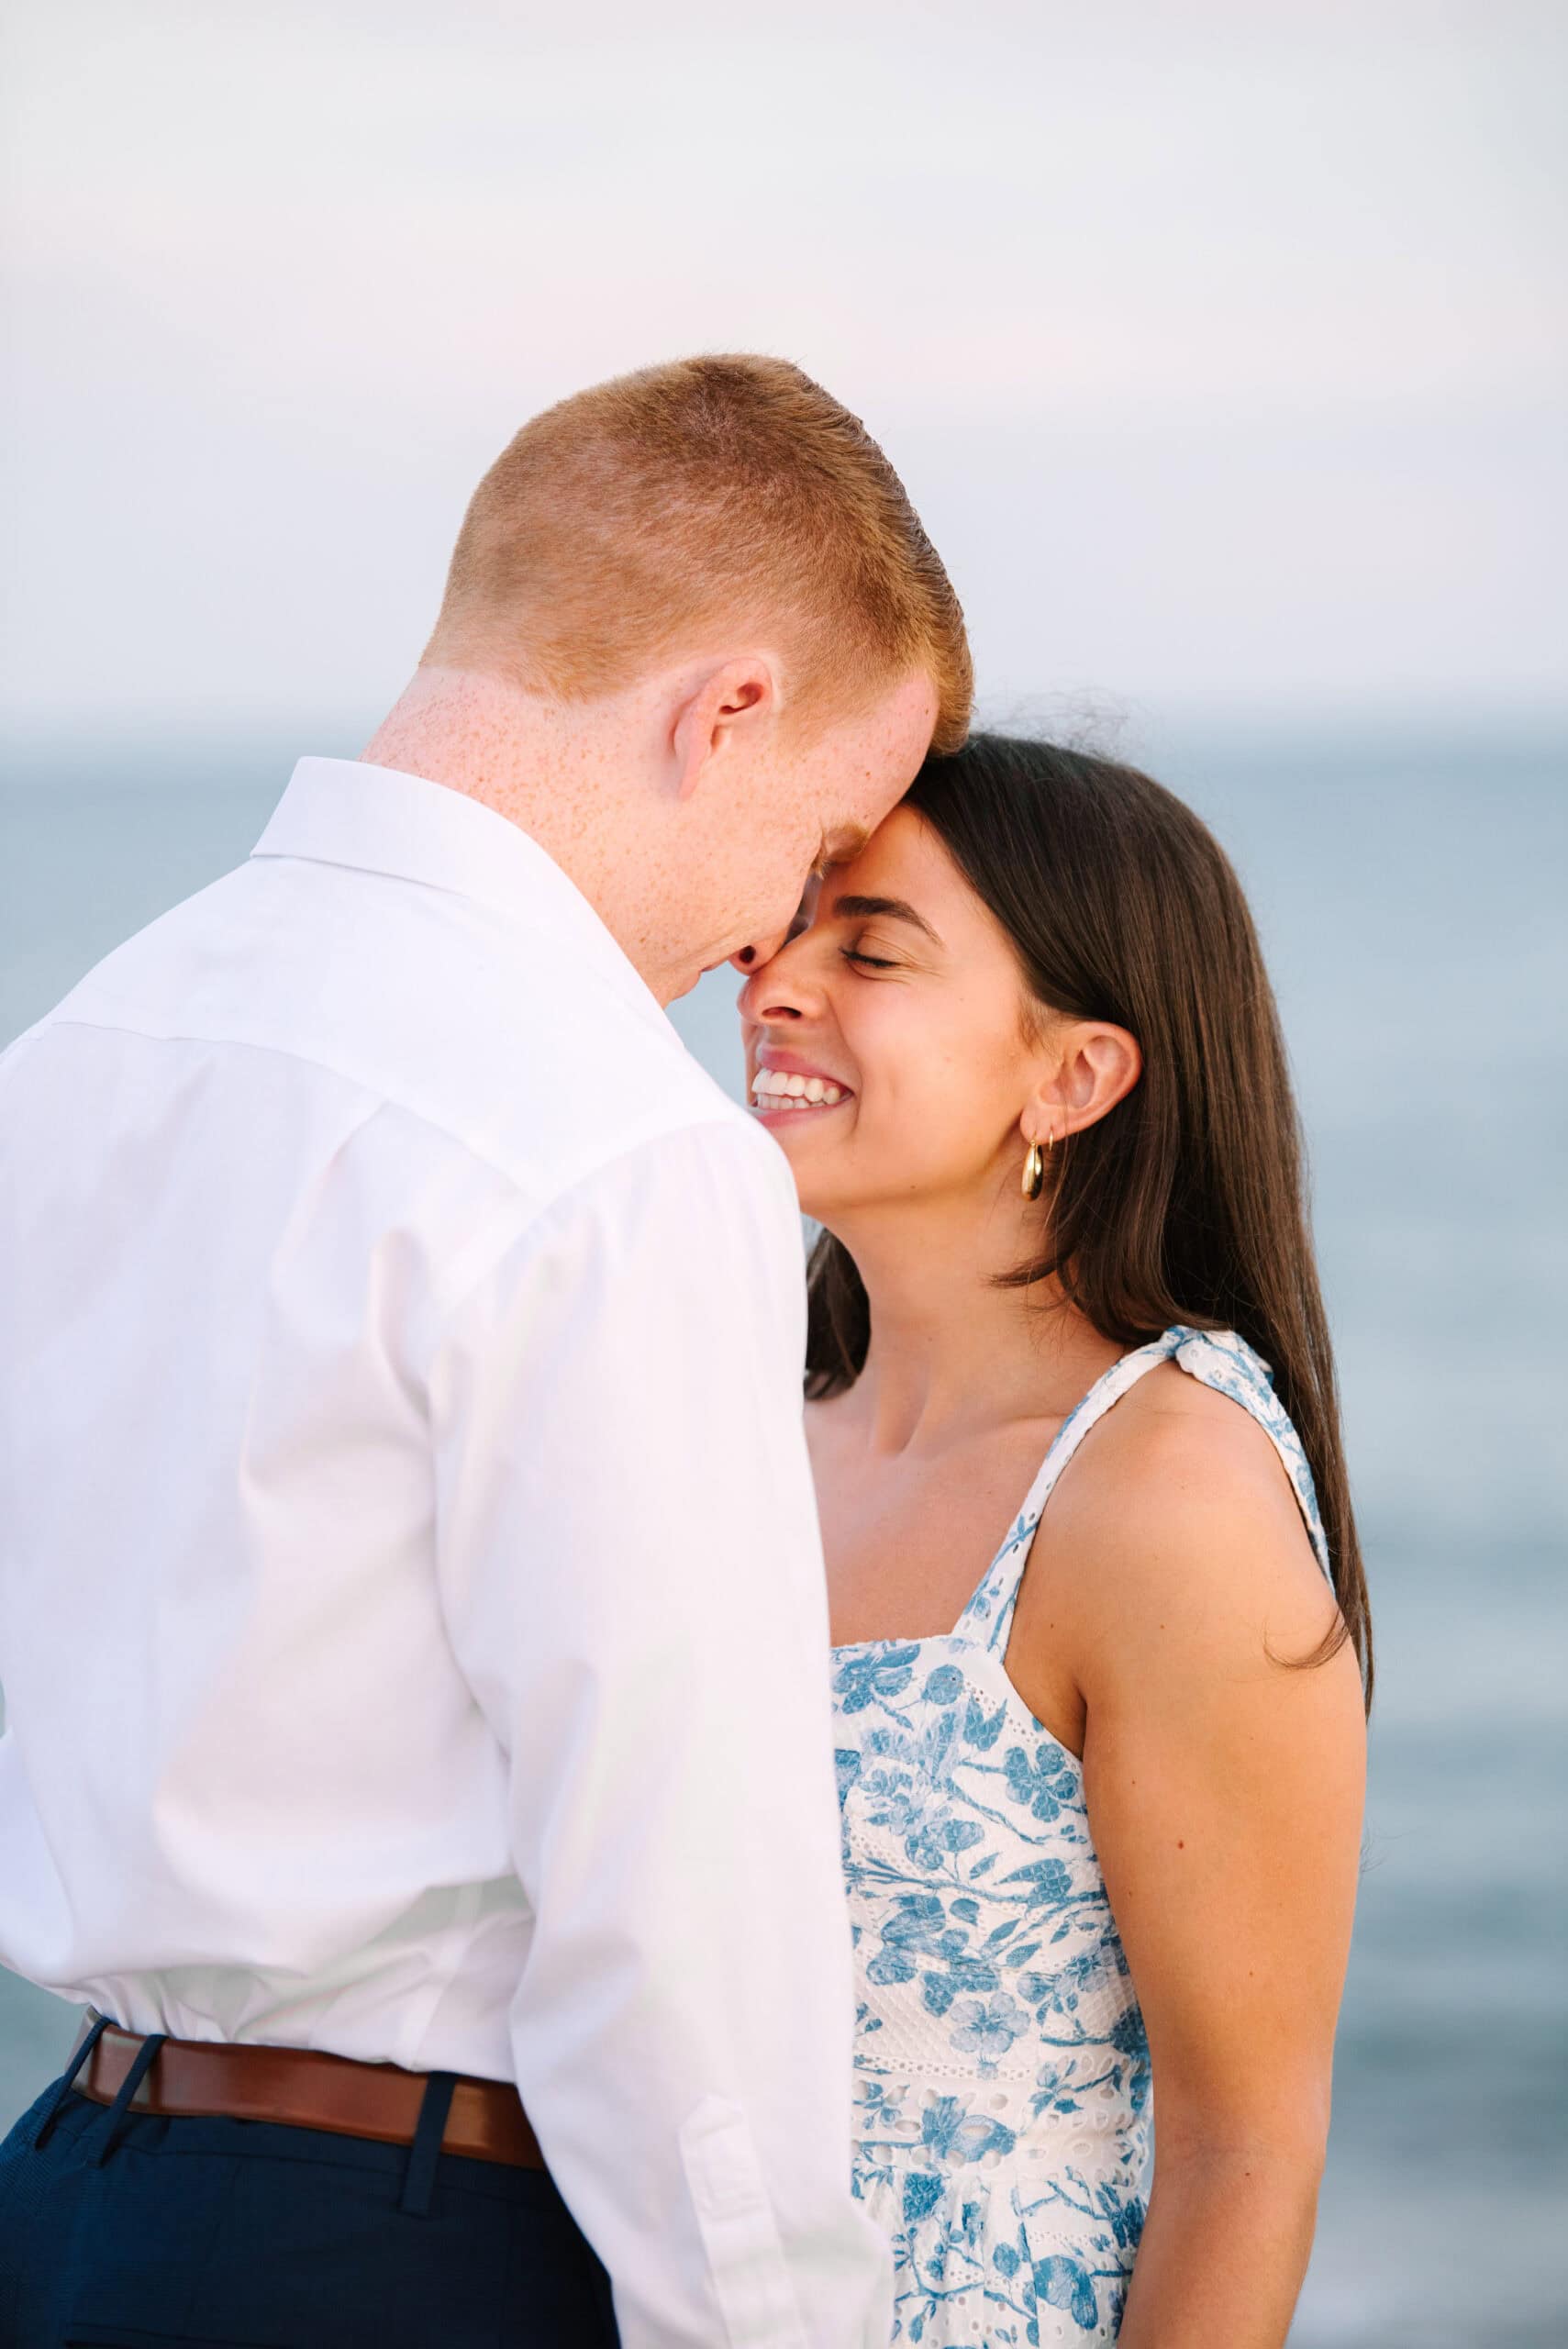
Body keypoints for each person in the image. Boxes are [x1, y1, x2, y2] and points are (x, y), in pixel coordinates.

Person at [0, 355, 970, 2349]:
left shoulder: (80, 1053)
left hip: (66, 2191)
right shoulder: (614, 1144)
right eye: (825, 834)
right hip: (398, 2243)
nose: (775, 937)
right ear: (727, 712)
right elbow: (678, 1905)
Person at [739, 734, 1370, 2347]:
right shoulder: (727, 1422)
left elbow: (1245, 2153)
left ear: (1071, 1077)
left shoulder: (1159, 1495)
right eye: (783, 927)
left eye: (867, 948)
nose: (770, 984)